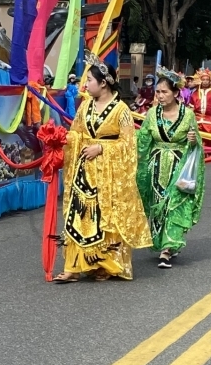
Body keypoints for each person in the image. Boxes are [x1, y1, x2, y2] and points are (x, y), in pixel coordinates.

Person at [52, 60, 152, 282]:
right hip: (84, 170)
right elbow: (76, 133)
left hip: (109, 176)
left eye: (88, 80)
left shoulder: (121, 110)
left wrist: (101, 147)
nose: (84, 85)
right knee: (79, 216)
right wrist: (59, 139)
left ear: (104, 83)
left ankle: (105, 264)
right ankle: (73, 267)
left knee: (105, 219)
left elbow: (128, 145)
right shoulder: (85, 106)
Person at [136, 72, 204, 269]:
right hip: (156, 167)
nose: (160, 96)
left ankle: (168, 247)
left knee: (174, 204)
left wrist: (193, 142)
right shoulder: (152, 114)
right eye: (157, 92)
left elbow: (196, 143)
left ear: (175, 93)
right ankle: (162, 241)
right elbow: (143, 142)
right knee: (158, 205)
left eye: (164, 92)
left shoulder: (188, 115)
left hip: (179, 166)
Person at [190, 69, 211, 134]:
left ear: (210, 81)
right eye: (203, 80)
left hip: (209, 120)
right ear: (200, 81)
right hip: (197, 120)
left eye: (207, 80)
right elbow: (191, 108)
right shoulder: (194, 94)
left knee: (208, 141)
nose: (205, 82)